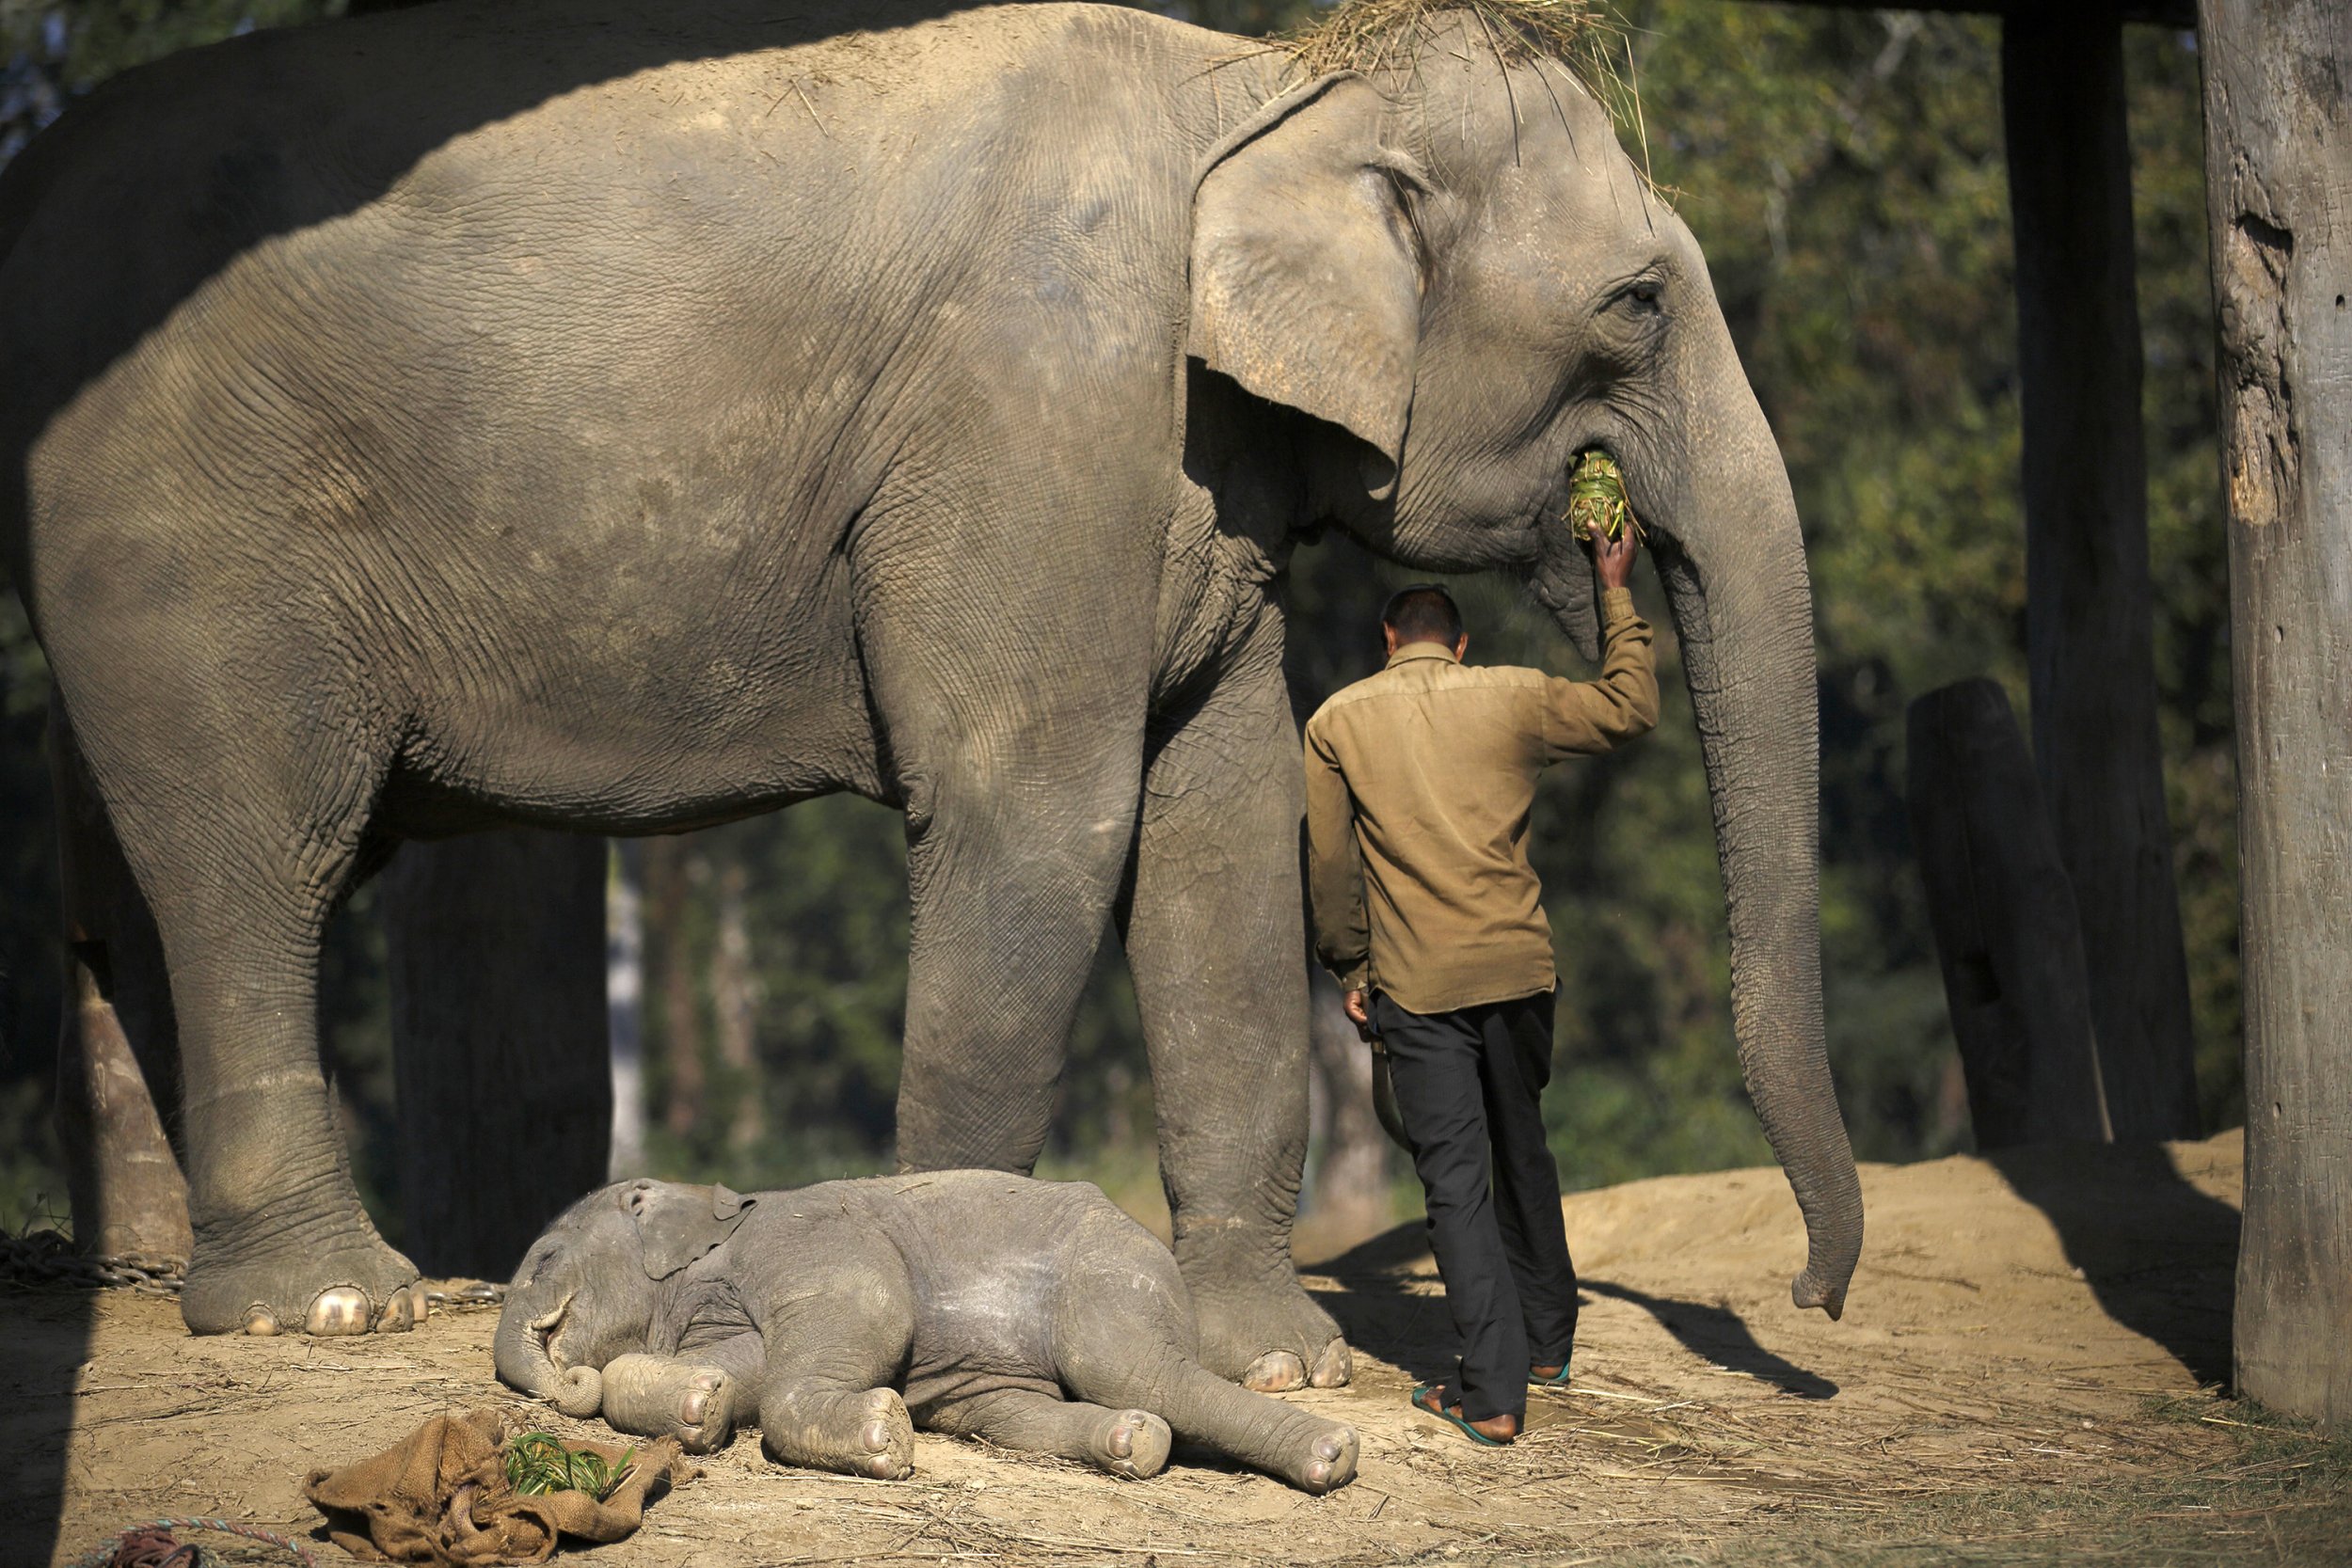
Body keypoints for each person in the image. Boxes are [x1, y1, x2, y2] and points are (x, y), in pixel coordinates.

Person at [1301, 528, 1656, 1446]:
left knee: (1454, 1180)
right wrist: (1613, 589)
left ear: (1388, 640)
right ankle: (1548, 1345)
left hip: (1417, 984)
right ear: (1457, 643)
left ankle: (1491, 1393)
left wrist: (1352, 965)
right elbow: (1630, 707)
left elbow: (1332, 866)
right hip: (1518, 969)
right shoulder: (1513, 693)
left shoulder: (1339, 721)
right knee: (1521, 1144)